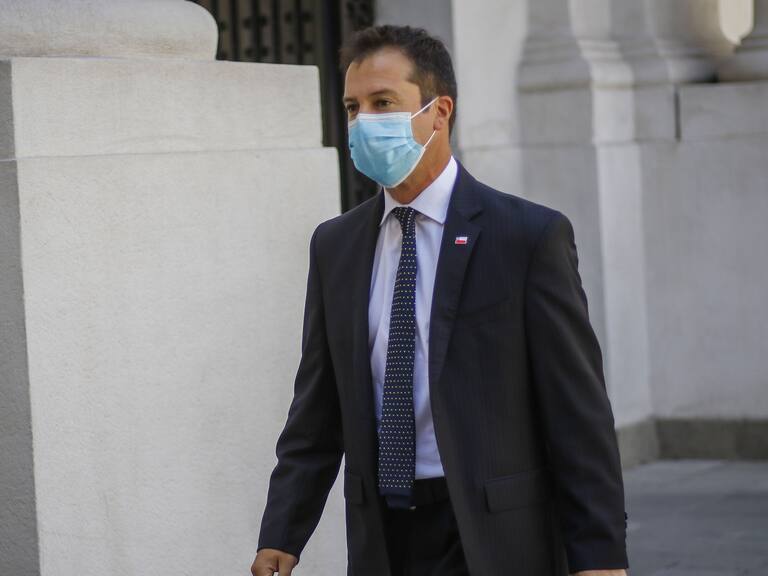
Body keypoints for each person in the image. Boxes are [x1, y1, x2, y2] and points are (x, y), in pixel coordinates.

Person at [251, 25, 629, 576]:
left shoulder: (525, 237)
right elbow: (316, 409)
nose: (363, 122)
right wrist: (282, 533)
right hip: (383, 533)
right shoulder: (335, 246)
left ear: (439, 111)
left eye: (384, 103)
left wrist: (599, 557)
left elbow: (577, 414)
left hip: (493, 536)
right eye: (353, 107)